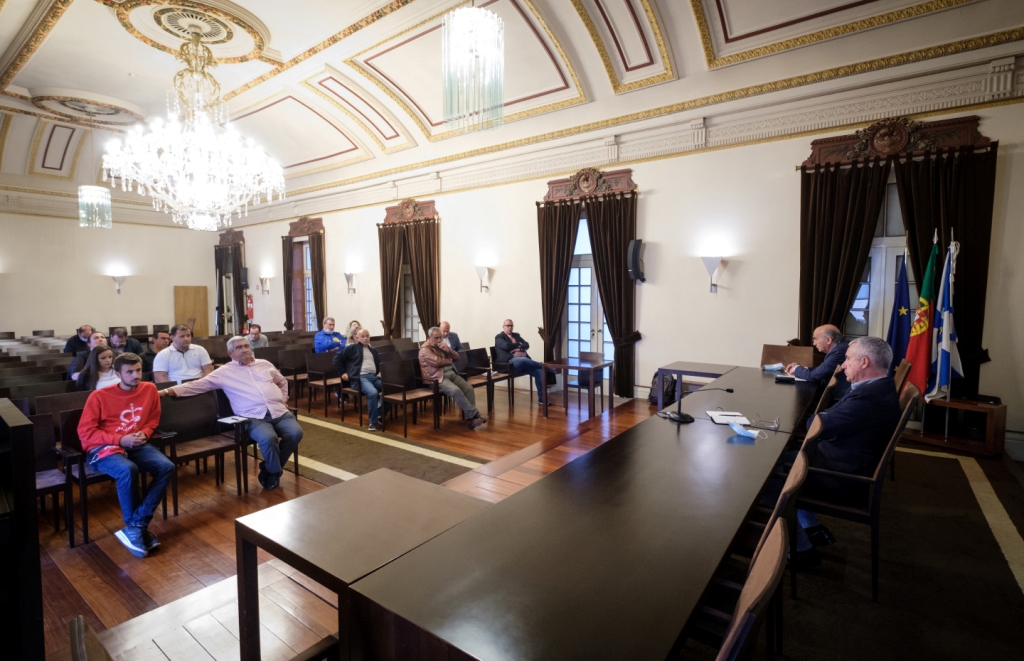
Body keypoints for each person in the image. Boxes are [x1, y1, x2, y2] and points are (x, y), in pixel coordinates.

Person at [784, 336, 902, 567]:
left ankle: (800, 551)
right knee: (783, 458)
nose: (843, 364)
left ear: (865, 362)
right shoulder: (877, 387)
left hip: (843, 479)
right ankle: (810, 526)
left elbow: (818, 426)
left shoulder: (869, 397)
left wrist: (820, 420)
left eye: (848, 359)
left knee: (767, 477)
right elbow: (828, 421)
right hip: (840, 461)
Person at [160, 336, 302, 491]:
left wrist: (283, 398)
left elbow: (282, 381)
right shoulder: (224, 372)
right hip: (253, 417)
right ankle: (274, 472)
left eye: (246, 346)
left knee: (295, 433)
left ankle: (269, 467)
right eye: (239, 348)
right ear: (230, 353)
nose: (244, 350)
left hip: (279, 411)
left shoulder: (265, 364)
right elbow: (197, 385)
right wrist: (166, 391)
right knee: (268, 438)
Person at [78, 352, 171, 558]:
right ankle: (136, 527)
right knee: (128, 470)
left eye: (138, 370)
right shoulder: (99, 396)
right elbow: (86, 433)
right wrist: (120, 440)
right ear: (117, 374)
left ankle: (136, 526)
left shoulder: (149, 389)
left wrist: (144, 433)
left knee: (166, 466)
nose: (135, 375)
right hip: (102, 448)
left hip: (135, 444)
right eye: (129, 371)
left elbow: (152, 420)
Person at [419, 327, 487, 429]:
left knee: (469, 389)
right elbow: (437, 362)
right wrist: (450, 361)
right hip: (437, 378)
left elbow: (457, 357)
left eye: (440, 338)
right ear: (429, 337)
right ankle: (475, 414)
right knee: (456, 391)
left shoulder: (440, 346)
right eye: (436, 338)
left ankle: (471, 419)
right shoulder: (425, 349)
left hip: (450, 374)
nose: (439, 340)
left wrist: (448, 350)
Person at [334, 328, 387, 431]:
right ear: (357, 338)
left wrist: (379, 371)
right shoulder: (352, 348)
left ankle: (379, 414)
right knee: (373, 393)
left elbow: (378, 364)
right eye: (362, 336)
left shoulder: (373, 350)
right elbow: (337, 359)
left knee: (390, 390)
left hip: (373, 377)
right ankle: (373, 422)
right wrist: (343, 373)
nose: (365, 338)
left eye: (367, 336)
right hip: (360, 378)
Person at [785, 324, 850, 399]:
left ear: (828, 340)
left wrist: (796, 369)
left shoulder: (838, 351)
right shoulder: (839, 348)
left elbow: (814, 376)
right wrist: (802, 368)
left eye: (815, 339)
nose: (814, 343)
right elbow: (821, 369)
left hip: (838, 398)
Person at [494, 319, 545, 403]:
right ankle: (543, 365)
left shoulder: (516, 335)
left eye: (511, 325)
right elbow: (506, 346)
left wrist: (519, 348)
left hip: (523, 364)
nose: (510, 327)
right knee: (523, 359)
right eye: (508, 325)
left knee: (539, 371)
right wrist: (519, 344)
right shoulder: (499, 337)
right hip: (510, 364)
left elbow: (526, 344)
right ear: (503, 327)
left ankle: (542, 399)